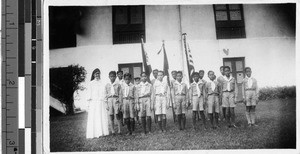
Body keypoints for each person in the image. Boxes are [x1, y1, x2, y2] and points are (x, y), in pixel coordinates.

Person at [86, 68, 109, 138]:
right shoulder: (91, 83)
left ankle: (102, 132)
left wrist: (105, 102)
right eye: (96, 73)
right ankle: (95, 133)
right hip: (94, 103)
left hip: (101, 103)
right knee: (94, 118)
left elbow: (104, 93)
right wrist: (88, 104)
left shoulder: (102, 83)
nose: (97, 75)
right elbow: (89, 94)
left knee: (101, 117)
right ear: (93, 75)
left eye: (98, 73)